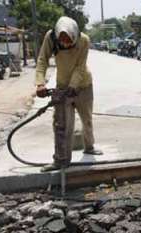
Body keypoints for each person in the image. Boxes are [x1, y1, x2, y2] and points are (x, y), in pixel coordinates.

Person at [35, 16, 102, 172]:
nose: (65, 44)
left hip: (83, 85)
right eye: (62, 41)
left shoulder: (84, 40)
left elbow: (80, 66)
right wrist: (40, 83)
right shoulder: (51, 37)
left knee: (87, 119)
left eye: (69, 41)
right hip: (62, 85)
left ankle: (89, 146)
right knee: (62, 125)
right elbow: (42, 60)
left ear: (75, 35)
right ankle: (61, 159)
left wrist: (73, 87)